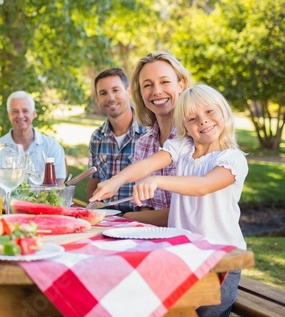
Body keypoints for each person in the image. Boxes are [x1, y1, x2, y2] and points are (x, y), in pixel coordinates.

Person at [90, 84, 248, 317]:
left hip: (222, 260)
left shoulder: (232, 159)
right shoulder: (182, 147)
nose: (203, 121)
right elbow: (146, 165)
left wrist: (158, 181)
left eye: (210, 112)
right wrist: (115, 181)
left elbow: (202, 186)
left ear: (223, 111)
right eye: (192, 117)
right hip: (184, 256)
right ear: (184, 126)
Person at [123, 51, 193, 226]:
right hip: (155, 238)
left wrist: (125, 218)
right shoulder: (143, 144)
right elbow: (143, 204)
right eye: (148, 85)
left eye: (165, 82)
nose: (157, 91)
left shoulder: (196, 137)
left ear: (181, 84)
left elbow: (189, 212)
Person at [86, 68, 147, 212]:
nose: (110, 97)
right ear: (98, 99)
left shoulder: (149, 132)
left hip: (140, 218)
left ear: (128, 91)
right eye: (103, 93)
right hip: (106, 217)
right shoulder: (97, 137)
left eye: (115, 90)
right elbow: (94, 181)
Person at [0, 90, 66, 184]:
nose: (20, 115)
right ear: (8, 115)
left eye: (25, 111)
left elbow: (59, 183)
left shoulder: (52, 146)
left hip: (41, 199)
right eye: (15, 111)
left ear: (34, 114)